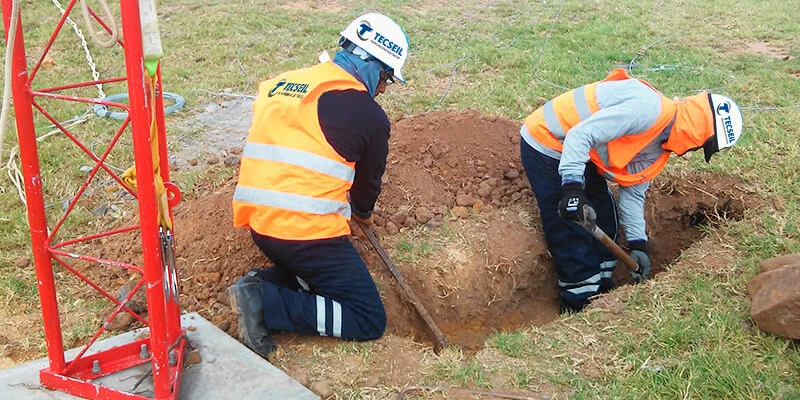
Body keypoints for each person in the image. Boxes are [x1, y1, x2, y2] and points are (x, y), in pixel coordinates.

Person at [226, 13, 409, 358]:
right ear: (368, 61)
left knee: (321, 277)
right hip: (306, 236)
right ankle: (264, 303)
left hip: (261, 227)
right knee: (368, 318)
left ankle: (260, 283)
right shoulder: (368, 115)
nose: (384, 88)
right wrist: (364, 216)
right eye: (386, 77)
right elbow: (366, 188)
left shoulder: (280, 84)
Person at [519, 68, 743, 313]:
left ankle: (602, 291)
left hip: (584, 152)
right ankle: (579, 305)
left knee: (606, 218)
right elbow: (579, 134)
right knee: (571, 231)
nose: (695, 150)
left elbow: (633, 191)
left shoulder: (659, 146)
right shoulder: (647, 110)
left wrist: (638, 244)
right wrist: (572, 186)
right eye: (702, 146)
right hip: (548, 142)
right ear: (698, 134)